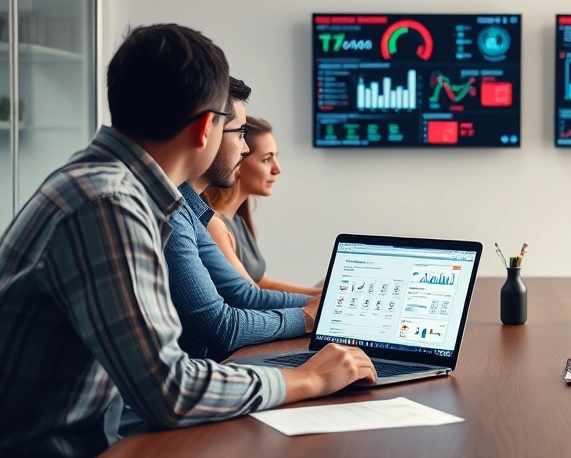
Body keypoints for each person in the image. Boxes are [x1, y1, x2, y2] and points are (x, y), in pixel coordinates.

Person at [0, 24, 376, 458]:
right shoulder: (110, 204)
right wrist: (310, 378)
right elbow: (170, 390)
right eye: (230, 128)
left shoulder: (99, 180)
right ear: (204, 129)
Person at [164, 79, 317, 362]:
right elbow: (223, 325)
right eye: (240, 134)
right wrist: (308, 317)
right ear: (205, 133)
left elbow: (242, 293)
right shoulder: (171, 213)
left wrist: (318, 306)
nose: (245, 149)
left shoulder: (190, 212)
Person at [203, 117, 320, 296]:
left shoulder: (238, 221)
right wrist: (317, 303)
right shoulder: (215, 226)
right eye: (266, 159)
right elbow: (250, 296)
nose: (277, 169)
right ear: (237, 158)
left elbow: (263, 283)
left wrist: (320, 294)